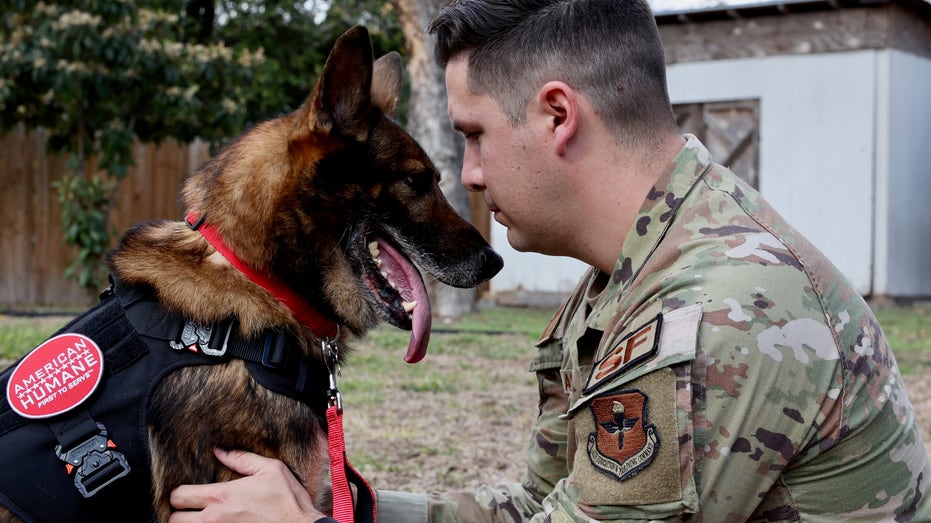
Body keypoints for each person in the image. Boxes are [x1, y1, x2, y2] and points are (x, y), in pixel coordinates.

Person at [169, 0, 931, 520]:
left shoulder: (718, 310)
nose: (464, 173)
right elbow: (535, 507)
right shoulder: (628, 272)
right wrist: (345, 503)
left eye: (472, 135)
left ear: (557, 116)